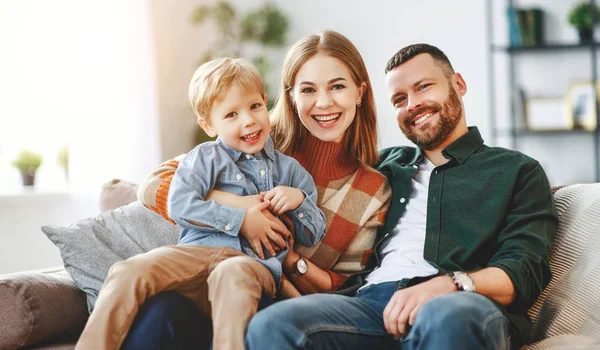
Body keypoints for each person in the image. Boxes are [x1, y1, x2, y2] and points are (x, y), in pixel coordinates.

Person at [244, 44, 558, 350]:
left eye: (424, 87)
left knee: (448, 315)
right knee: (273, 324)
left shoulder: (516, 171)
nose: (413, 104)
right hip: (369, 305)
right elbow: (303, 148)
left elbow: (526, 268)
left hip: (458, 305)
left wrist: (450, 284)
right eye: (399, 99)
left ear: (458, 84)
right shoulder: (382, 166)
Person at [121, 30, 392, 349]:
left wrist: (289, 258)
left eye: (337, 86)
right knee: (161, 310)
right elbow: (154, 185)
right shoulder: (256, 135)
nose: (323, 102)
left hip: (275, 298)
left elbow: (346, 289)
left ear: (360, 92)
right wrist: (243, 211)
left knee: (262, 321)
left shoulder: (372, 189)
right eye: (308, 89)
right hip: (203, 274)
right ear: (291, 95)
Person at [76, 57, 328, 350]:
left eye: (254, 107)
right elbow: (181, 206)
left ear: (265, 102)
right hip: (195, 255)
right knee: (127, 270)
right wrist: (241, 219)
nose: (247, 120)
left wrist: (299, 200)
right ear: (208, 125)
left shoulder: (290, 171)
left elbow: (313, 235)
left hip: (250, 266)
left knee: (231, 274)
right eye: (231, 114)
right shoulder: (204, 158)